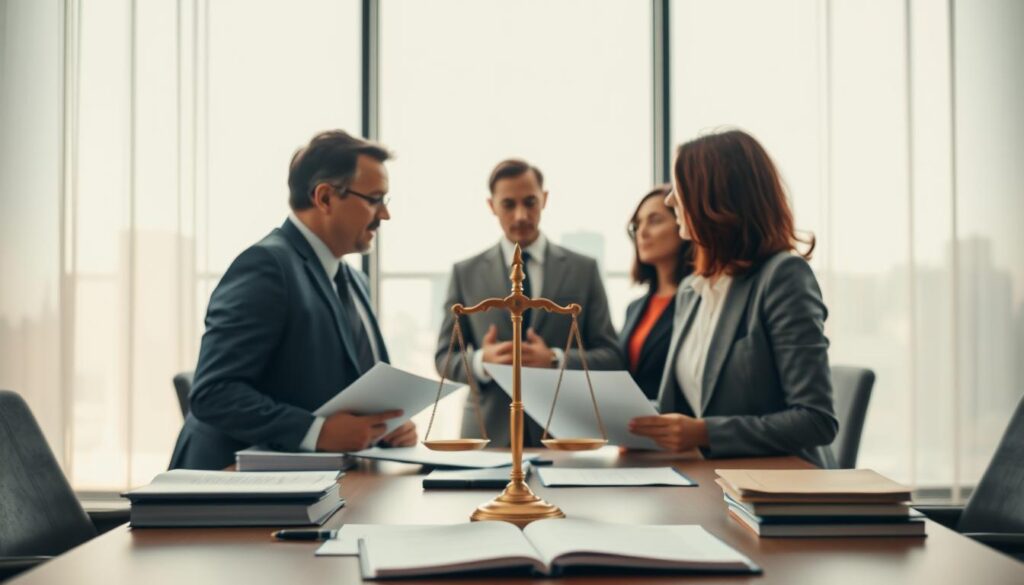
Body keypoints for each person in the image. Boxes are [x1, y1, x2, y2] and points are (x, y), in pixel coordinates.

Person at [169, 130, 416, 470]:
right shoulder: (265, 267)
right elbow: (214, 393)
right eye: (374, 199)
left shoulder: (354, 281)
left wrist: (384, 426)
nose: (384, 215)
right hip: (228, 488)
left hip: (317, 486)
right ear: (325, 198)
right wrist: (317, 432)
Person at [628, 129, 839, 468]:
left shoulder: (783, 277)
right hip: (712, 480)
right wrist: (624, 425)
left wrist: (704, 433)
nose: (670, 201)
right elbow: (683, 410)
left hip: (778, 491)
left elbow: (815, 420)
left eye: (680, 188)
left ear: (717, 196)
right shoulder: (691, 291)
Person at [435, 158, 623, 447]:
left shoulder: (583, 269)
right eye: (509, 204)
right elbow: (443, 359)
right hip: (488, 435)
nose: (521, 215)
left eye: (530, 202)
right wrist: (481, 361)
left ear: (544, 199)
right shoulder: (466, 272)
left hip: (564, 434)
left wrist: (555, 359)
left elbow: (611, 355)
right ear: (491, 206)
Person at [619, 185, 693, 400]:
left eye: (655, 220)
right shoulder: (634, 308)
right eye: (637, 224)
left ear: (681, 223)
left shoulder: (699, 300)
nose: (642, 232)